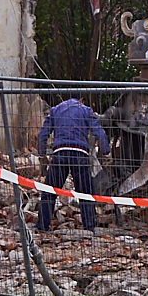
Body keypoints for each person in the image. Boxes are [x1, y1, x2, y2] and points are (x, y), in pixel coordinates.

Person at [37, 94, 108, 231]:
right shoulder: (86, 110)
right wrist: (105, 151)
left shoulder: (55, 110)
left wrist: (42, 153)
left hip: (60, 153)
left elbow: (43, 134)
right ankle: (89, 226)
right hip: (80, 154)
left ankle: (42, 226)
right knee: (85, 192)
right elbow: (99, 132)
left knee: (49, 190)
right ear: (82, 99)